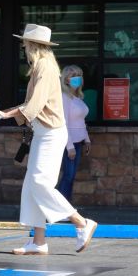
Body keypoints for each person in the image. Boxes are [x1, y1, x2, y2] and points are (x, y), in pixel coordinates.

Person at [0, 24, 97, 255]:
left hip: (51, 134)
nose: (23, 47)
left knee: (39, 182)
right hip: (43, 133)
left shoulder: (45, 67)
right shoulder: (41, 66)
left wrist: (8, 114)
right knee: (30, 186)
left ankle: (81, 222)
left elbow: (35, 105)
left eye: (25, 43)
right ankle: (38, 242)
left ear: (32, 45)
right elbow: (31, 103)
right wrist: (6, 113)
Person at [57, 65, 91, 201]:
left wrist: (87, 139)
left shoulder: (78, 98)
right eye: (73, 75)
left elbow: (81, 122)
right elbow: (63, 123)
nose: (77, 78)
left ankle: (65, 208)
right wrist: (69, 146)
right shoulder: (64, 97)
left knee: (71, 177)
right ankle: (57, 209)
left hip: (78, 142)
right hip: (68, 144)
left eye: (79, 74)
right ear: (65, 80)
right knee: (68, 176)